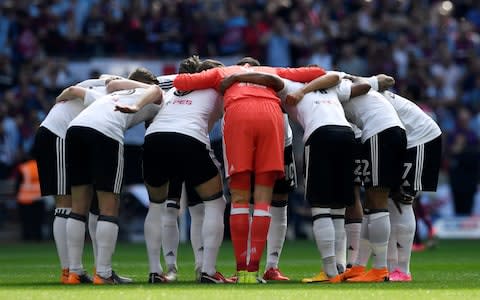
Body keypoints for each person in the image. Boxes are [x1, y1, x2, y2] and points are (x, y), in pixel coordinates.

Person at [173, 56, 326, 283]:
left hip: (238, 115)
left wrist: (225, 81)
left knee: (240, 198)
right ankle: (255, 271)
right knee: (264, 200)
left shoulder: (222, 72)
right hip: (271, 116)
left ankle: (242, 271)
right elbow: (318, 73)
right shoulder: (272, 70)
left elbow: (181, 82)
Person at [115, 58, 233, 284]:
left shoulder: (169, 88)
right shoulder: (215, 89)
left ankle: (155, 271)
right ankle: (207, 270)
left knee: (157, 207)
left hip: (153, 140)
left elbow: (143, 89)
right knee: (215, 203)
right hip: (189, 140)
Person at [63, 68, 160, 285]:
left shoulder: (109, 94)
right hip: (105, 133)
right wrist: (148, 91)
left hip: (75, 130)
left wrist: (60, 98)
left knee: (78, 206)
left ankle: (75, 272)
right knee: (109, 204)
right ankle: (104, 273)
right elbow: (154, 90)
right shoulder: (155, 94)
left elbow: (104, 86)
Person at [34, 75, 115, 284]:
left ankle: (80, 270)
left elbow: (72, 90)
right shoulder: (109, 93)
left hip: (60, 134)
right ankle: (69, 270)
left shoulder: (98, 82)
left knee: (76, 203)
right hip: (58, 134)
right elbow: (72, 91)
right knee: (65, 202)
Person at [367, 75, 442, 282]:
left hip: (420, 138)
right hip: (402, 141)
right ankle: (392, 267)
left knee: (404, 199)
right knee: (390, 201)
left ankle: (403, 269)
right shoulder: (364, 93)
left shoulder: (362, 96)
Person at [337, 73, 407, 283]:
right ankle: (359, 266)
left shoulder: (337, 90)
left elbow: (387, 80)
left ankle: (379, 268)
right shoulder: (354, 84)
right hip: (388, 132)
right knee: (371, 202)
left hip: (380, 132)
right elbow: (387, 80)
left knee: (377, 201)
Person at [15, 155, 44, 241]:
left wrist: (16, 194)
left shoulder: (24, 167)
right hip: (39, 198)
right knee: (38, 221)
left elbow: (18, 184)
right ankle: (38, 237)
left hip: (25, 199)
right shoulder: (41, 166)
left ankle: (26, 237)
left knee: (26, 221)